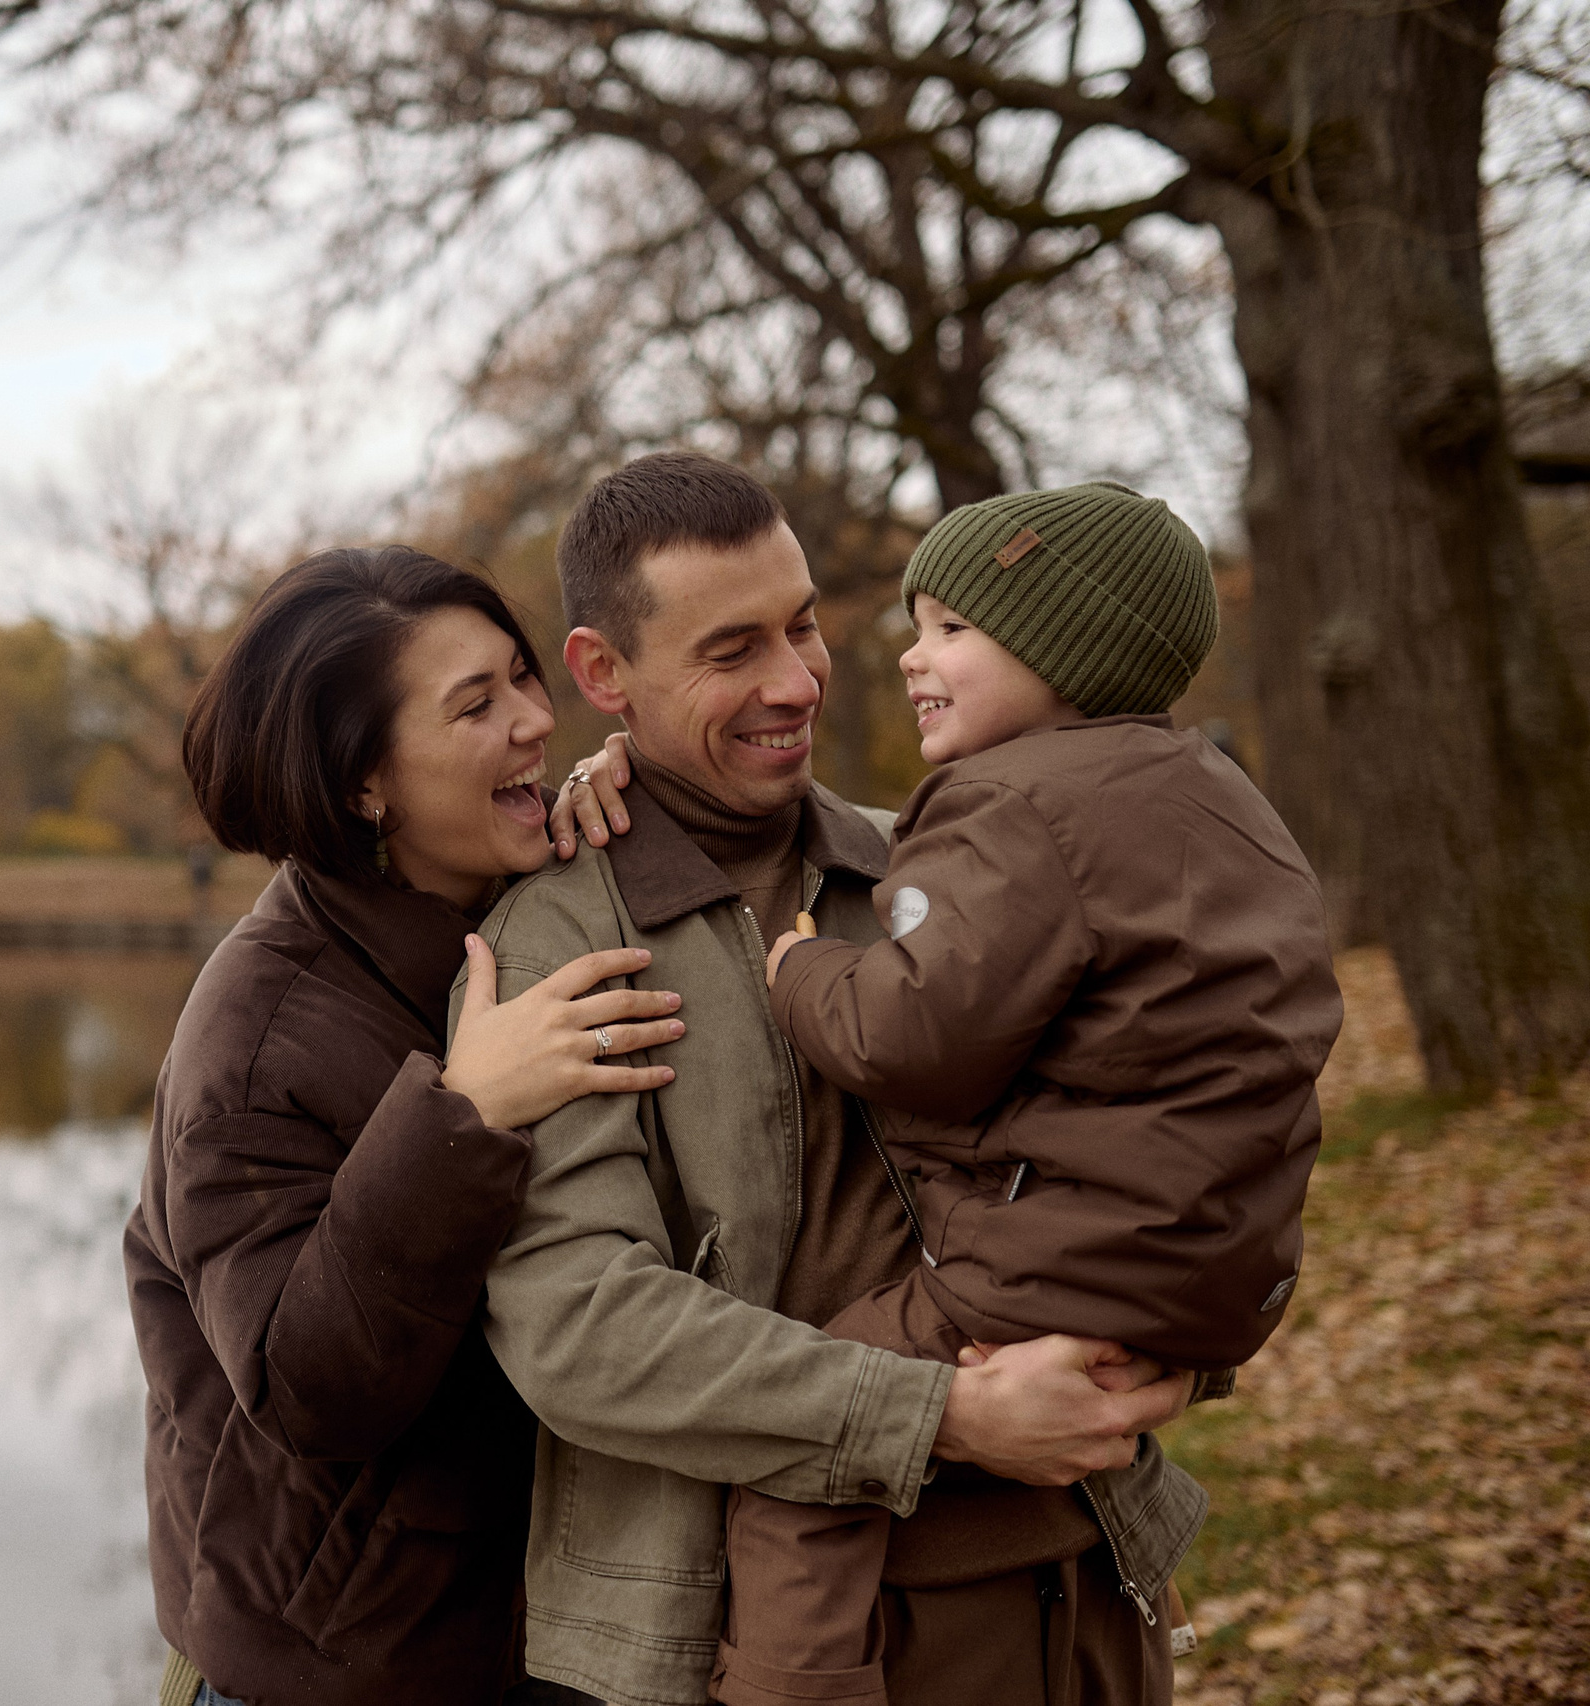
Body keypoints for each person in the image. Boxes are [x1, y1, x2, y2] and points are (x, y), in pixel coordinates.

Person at [459, 453, 1208, 1706]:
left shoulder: (945, 862)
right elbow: (579, 1327)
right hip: (748, 1646)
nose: (797, 681)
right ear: (603, 675)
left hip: (1079, 1586)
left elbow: (1159, 1121)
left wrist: (1176, 1344)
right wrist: (944, 1416)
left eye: (803, 622)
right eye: (731, 648)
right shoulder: (556, 940)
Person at [716, 482, 1344, 1705]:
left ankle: (790, 1684)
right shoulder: (1218, 796)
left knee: (810, 1437)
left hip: (1064, 1250)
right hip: (1216, 1257)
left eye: (953, 627)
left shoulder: (1013, 807)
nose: (909, 655)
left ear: (1067, 651)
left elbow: (907, 1033)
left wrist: (797, 967)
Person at [126, 545, 674, 1706]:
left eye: (523, 677)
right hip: (335, 1672)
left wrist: (652, 813)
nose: (536, 718)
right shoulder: (257, 1039)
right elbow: (308, 1388)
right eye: (476, 704)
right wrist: (461, 1114)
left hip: (534, 1640)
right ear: (363, 784)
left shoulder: (513, 909)